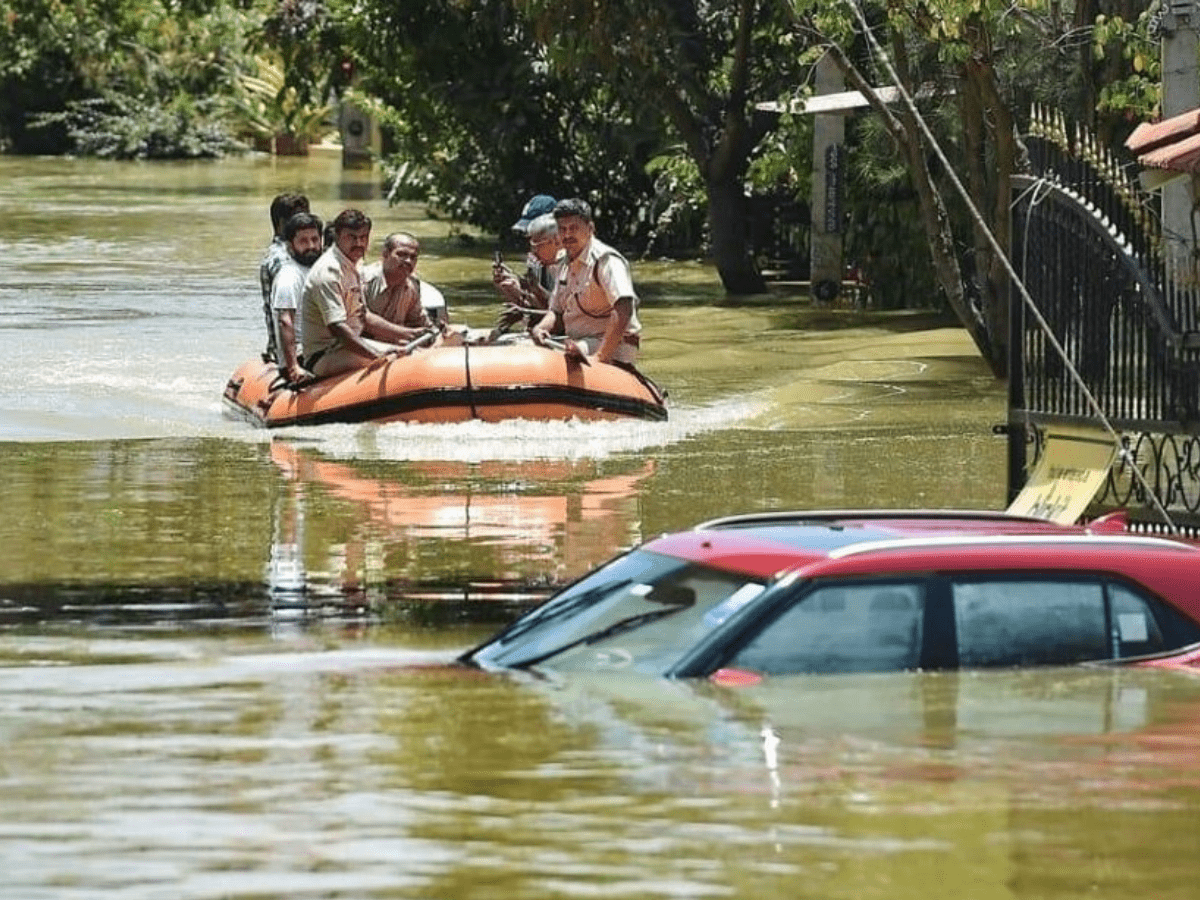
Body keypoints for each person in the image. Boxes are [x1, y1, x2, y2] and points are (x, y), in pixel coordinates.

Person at [531, 198, 642, 366]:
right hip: (577, 340)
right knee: (527, 346)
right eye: (562, 229)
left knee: (570, 356)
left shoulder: (606, 260)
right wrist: (541, 328)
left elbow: (624, 307)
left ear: (590, 229)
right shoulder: (563, 261)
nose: (567, 235)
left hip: (611, 344)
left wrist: (599, 357)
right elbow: (557, 312)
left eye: (573, 228)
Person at [300, 209, 410, 378]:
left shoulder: (354, 265)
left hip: (345, 348)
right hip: (324, 355)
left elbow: (363, 316)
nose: (359, 243)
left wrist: (410, 333)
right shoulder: (328, 273)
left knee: (409, 351)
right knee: (396, 362)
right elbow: (338, 327)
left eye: (363, 237)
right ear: (337, 236)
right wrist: (376, 355)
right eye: (352, 237)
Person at [269, 211, 324, 386]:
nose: (311, 246)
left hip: (320, 347)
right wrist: (293, 368)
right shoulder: (289, 276)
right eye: (303, 241)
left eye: (315, 240)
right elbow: (285, 321)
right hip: (302, 354)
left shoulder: (318, 270)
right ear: (290, 246)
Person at [490, 213, 563, 339]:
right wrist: (514, 291)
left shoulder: (571, 266)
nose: (532, 252)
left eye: (536, 245)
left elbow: (564, 315)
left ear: (556, 240)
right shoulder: (541, 263)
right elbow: (548, 305)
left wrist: (525, 309)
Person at [361, 232, 446, 340]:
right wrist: (404, 333)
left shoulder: (412, 285)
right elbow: (361, 318)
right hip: (359, 346)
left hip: (394, 346)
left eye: (413, 257)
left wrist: (437, 332)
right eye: (401, 255)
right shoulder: (363, 280)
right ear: (385, 254)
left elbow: (418, 321)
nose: (408, 261)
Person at [259, 192, 310, 362]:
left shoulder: (298, 254)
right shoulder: (281, 259)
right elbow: (285, 317)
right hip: (293, 350)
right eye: (300, 219)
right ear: (282, 224)